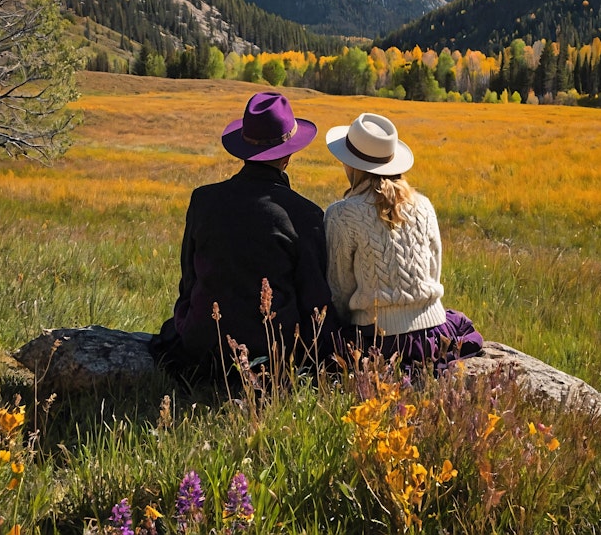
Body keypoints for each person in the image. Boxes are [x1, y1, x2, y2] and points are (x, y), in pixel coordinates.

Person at [151, 91, 338, 383]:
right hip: (273, 354)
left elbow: (188, 283)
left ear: (243, 148)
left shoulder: (203, 200)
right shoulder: (305, 215)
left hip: (203, 345)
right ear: (288, 155)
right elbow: (315, 304)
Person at [324, 112, 482, 373]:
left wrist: (343, 330)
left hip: (378, 341)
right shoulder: (424, 205)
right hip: (432, 334)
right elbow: (434, 272)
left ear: (351, 164)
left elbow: (340, 290)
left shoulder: (341, 214)